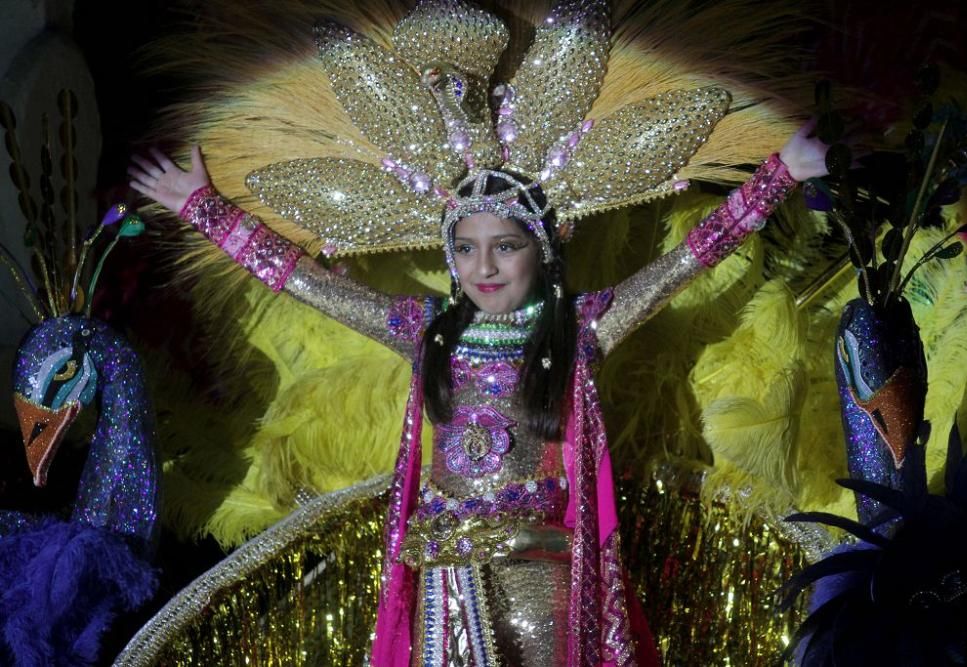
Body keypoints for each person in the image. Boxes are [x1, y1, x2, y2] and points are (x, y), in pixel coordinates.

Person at [129, 120, 828, 666]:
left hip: (539, 575)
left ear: (543, 251)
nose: (483, 267)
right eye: (465, 248)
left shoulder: (581, 327)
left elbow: (687, 260)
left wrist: (780, 175)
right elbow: (312, 285)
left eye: (505, 246)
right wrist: (202, 207)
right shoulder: (426, 330)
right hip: (446, 577)